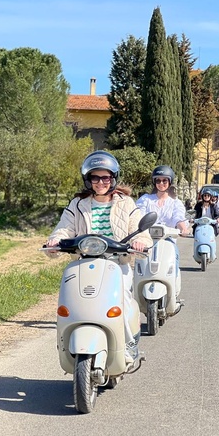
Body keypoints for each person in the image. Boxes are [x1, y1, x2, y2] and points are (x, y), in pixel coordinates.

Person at [45, 150, 152, 363]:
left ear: (113, 179)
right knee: (72, 304)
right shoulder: (77, 204)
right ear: (88, 180)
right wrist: (56, 240)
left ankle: (129, 343)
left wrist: (139, 242)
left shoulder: (126, 203)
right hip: (83, 263)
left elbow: (141, 231)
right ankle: (66, 345)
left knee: (119, 302)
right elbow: (64, 228)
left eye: (105, 177)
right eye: (95, 177)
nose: (100, 182)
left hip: (116, 263)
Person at [136, 165, 189, 286]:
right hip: (147, 239)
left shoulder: (175, 203)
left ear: (169, 182)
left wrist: (183, 229)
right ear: (154, 182)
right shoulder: (146, 199)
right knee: (139, 262)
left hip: (168, 240)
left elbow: (178, 218)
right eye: (158, 180)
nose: (161, 183)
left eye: (164, 180)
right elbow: (139, 216)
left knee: (172, 258)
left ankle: (173, 285)